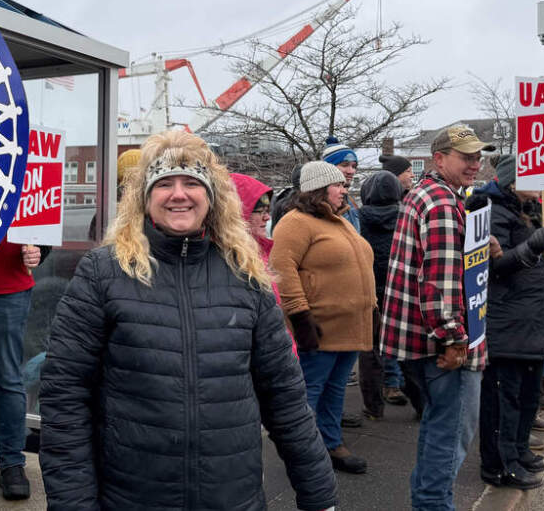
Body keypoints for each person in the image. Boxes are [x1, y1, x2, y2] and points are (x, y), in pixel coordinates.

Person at [39, 130, 337, 511]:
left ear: (211, 197)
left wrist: (319, 494)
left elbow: (285, 396)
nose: (178, 194)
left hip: (233, 498)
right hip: (132, 497)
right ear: (145, 198)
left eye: (191, 182)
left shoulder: (245, 273)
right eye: (164, 183)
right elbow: (65, 395)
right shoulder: (104, 272)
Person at [380, 123, 494, 511]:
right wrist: (453, 338)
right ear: (440, 158)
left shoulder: (428, 194)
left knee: (437, 432)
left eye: (479, 156)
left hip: (418, 338)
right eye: (467, 156)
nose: (476, 164)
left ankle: (427, 503)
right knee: (448, 438)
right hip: (443, 345)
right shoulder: (444, 203)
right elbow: (441, 280)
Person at [271, 161, 376, 475]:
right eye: (339, 186)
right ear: (318, 188)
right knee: (310, 392)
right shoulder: (295, 223)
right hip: (319, 326)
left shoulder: (340, 222)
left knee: (336, 388)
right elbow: (282, 272)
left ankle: (331, 444)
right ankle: (302, 452)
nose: (345, 190)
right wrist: (300, 317)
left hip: (350, 326)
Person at [467, 155, 544, 490]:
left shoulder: (528, 211)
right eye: (534, 178)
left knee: (526, 395)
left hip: (530, 318)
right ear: (512, 182)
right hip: (506, 319)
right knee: (502, 399)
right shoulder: (493, 213)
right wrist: (532, 247)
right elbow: (491, 266)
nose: (542, 184)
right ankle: (498, 465)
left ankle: (518, 451)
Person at [0, 240, 48, 499]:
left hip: (7, 283)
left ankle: (12, 463)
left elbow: (42, 214)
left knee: (8, 378)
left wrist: (39, 251)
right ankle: (11, 465)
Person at [357, 170, 412, 418]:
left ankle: (374, 407)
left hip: (370, 292)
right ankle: (419, 400)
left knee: (370, 351)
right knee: (407, 349)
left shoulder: (358, 219)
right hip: (399, 290)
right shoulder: (407, 217)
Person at [231, 172, 296, 355]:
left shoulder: (258, 255)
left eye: (268, 211)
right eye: (260, 211)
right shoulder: (232, 262)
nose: (267, 218)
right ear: (237, 212)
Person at [321, 136, 360, 232]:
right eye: (344, 165)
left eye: (354, 166)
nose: (351, 171)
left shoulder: (350, 201)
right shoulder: (316, 203)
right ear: (329, 167)